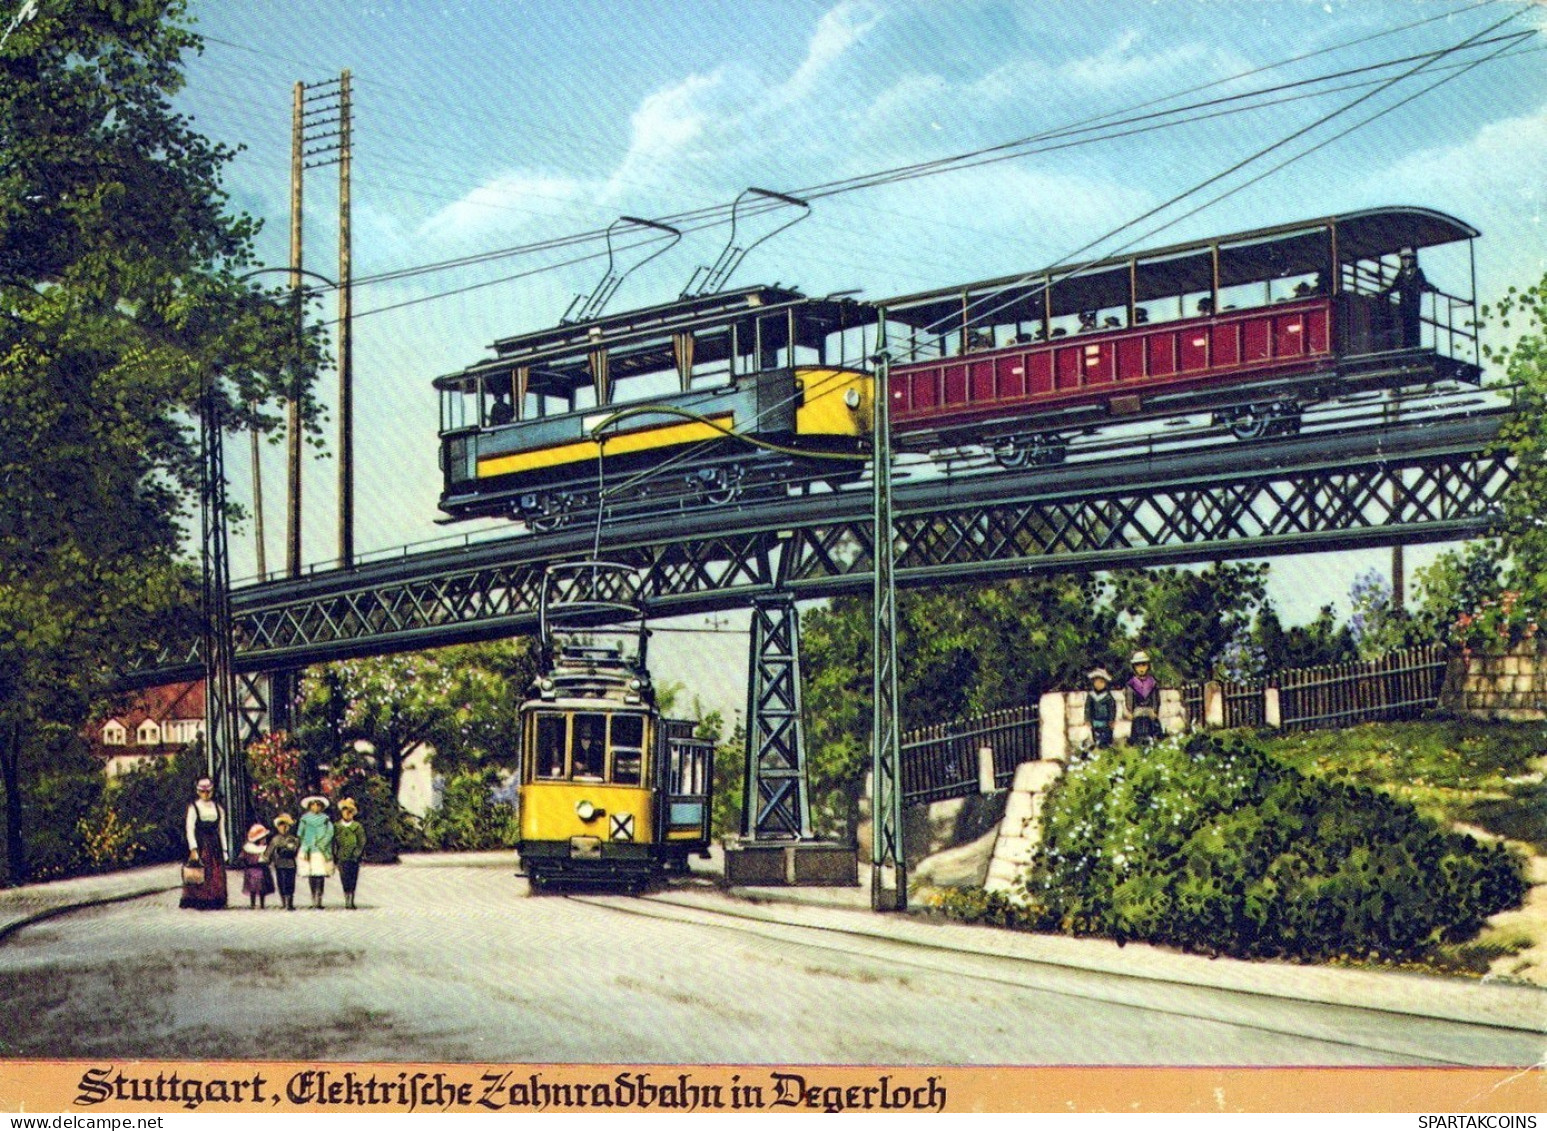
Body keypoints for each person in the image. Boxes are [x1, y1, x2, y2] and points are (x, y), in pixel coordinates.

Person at [180, 777, 228, 910]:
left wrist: (225, 850)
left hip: (214, 843)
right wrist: (193, 848)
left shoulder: (218, 808)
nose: (206, 794)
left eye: (208, 791)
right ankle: (199, 900)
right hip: (201, 843)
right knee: (200, 870)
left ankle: (215, 899)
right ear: (198, 792)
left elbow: (222, 830)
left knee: (216, 872)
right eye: (202, 791)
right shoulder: (194, 807)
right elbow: (190, 829)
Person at [1385, 248, 1433, 349]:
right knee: (1406, 325)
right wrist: (1384, 293)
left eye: (1408, 258)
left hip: (1414, 303)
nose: (1406, 261)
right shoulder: (1400, 274)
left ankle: (1415, 344)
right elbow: (1394, 286)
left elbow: (1424, 284)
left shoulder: (1418, 272)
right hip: (1405, 303)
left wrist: (1432, 288)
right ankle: (1407, 344)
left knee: (1414, 324)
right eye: (1403, 259)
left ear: (1412, 260)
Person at [296, 795, 336, 909]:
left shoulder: (325, 819)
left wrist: (322, 842)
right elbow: (300, 833)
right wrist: (306, 843)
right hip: (308, 849)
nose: (315, 807)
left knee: (320, 874)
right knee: (311, 875)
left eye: (318, 805)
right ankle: (313, 897)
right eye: (313, 805)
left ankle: (319, 898)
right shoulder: (304, 819)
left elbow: (330, 833)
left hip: (321, 850)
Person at [333, 798, 367, 910]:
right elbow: (334, 841)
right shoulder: (337, 826)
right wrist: (335, 853)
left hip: (353, 857)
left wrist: (357, 852)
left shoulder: (357, 826)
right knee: (344, 877)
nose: (347, 813)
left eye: (350, 811)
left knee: (353, 877)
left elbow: (362, 841)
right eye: (345, 810)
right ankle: (346, 896)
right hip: (342, 856)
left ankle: (351, 899)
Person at [1125, 651, 1163, 745]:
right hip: (1137, 710)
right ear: (1134, 668)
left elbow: (1155, 697)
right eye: (1138, 666)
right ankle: (1137, 742)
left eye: (1143, 665)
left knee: (1152, 725)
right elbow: (1129, 697)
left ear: (1148, 666)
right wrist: (1130, 710)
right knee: (1137, 724)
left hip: (1149, 709)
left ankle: (1153, 740)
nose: (1141, 668)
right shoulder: (1132, 683)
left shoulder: (1152, 682)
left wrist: (1155, 710)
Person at [265, 813, 301, 910]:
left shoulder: (293, 839)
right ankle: (283, 902)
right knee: (281, 882)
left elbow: (295, 849)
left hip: (290, 864)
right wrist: (266, 858)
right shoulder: (275, 839)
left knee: (290, 883)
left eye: (285, 825)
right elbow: (269, 850)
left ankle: (289, 902)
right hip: (279, 864)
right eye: (281, 826)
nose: (283, 828)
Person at [239, 822, 275, 910]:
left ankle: (262, 903)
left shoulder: (265, 848)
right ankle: (253, 903)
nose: (264, 840)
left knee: (263, 888)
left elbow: (269, 857)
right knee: (253, 888)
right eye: (262, 838)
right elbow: (242, 858)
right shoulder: (249, 848)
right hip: (253, 869)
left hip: (263, 869)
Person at [1085, 668, 1117, 750]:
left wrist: (1111, 720)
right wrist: (1087, 719)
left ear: (1105, 683)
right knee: (1096, 735)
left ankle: (1106, 746)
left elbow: (1112, 709)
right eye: (1097, 682)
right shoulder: (1091, 696)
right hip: (1095, 720)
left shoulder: (1108, 697)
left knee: (1106, 736)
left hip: (1106, 721)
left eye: (1101, 682)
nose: (1099, 684)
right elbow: (1088, 708)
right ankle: (1097, 745)